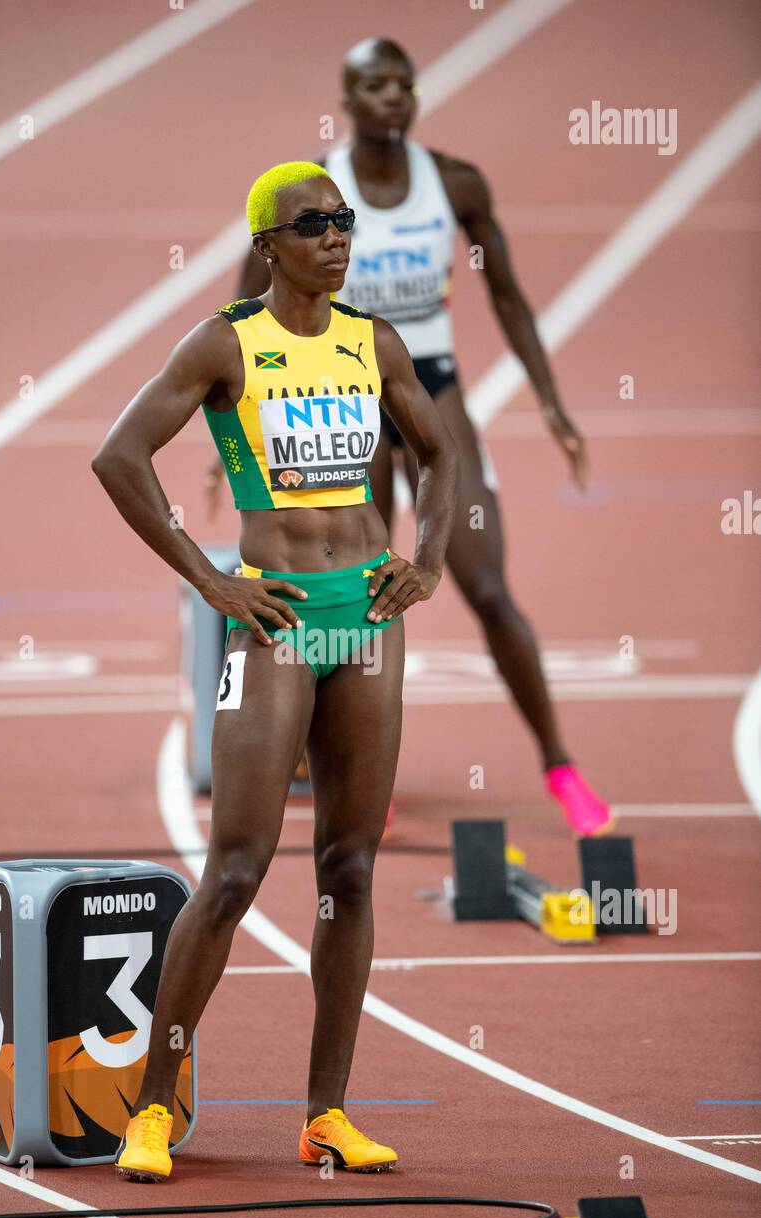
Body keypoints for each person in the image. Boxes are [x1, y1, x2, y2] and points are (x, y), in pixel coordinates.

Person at [91, 161, 457, 1180]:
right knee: (237, 869)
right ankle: (151, 1107)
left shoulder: (369, 340)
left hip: (366, 617)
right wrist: (210, 581)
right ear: (267, 245)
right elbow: (119, 456)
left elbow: (441, 452)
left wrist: (425, 557)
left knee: (348, 865)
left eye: (344, 221)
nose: (337, 238)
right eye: (314, 224)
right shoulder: (224, 342)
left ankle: (325, 1114)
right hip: (277, 618)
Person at [206, 38, 612, 837]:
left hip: (427, 380)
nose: (393, 96)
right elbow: (244, 308)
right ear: (348, 100)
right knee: (358, 591)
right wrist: (227, 441)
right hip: (345, 387)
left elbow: (510, 298)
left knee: (488, 588)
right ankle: (357, 775)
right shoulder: (314, 192)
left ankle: (560, 764)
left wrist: (552, 404)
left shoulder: (454, 184)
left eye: (403, 83)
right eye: (374, 85)